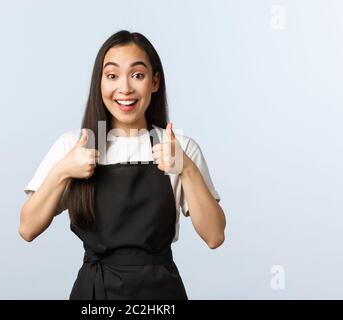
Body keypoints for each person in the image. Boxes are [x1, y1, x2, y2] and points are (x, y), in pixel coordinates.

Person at [19, 30, 226, 300]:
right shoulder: (75, 146)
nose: (125, 88)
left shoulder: (179, 148)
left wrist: (186, 169)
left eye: (137, 75)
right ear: (100, 83)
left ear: (154, 82)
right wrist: (62, 171)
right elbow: (27, 228)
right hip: (95, 295)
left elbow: (215, 236)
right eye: (112, 76)